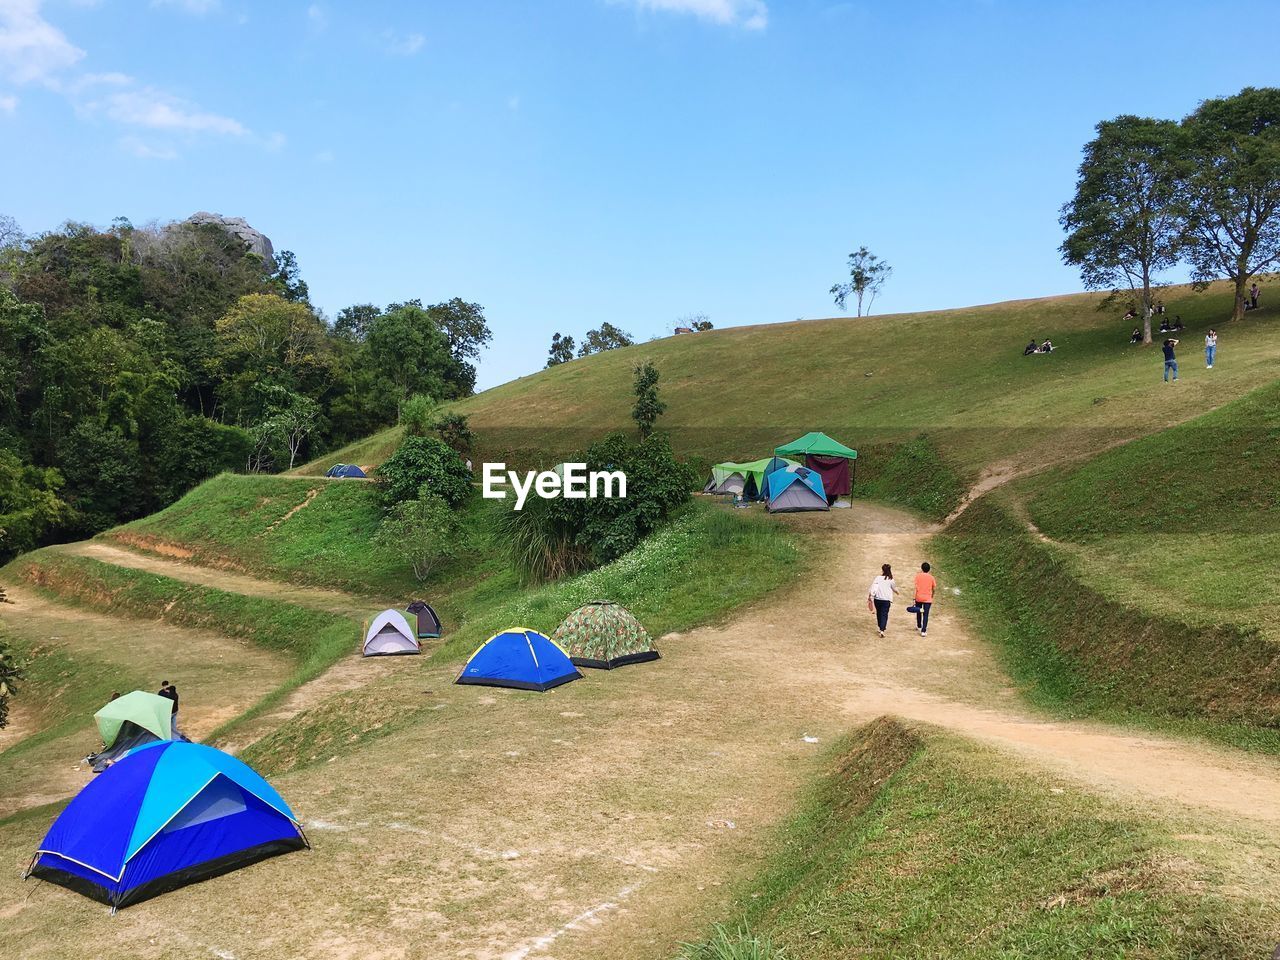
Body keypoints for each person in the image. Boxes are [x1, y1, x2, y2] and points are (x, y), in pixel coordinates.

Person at [867, 563, 898, 638]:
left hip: (877, 599)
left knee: (879, 613)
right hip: (886, 600)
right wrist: (897, 592)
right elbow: (894, 588)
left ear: (882, 570)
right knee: (884, 614)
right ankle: (882, 629)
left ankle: (880, 626)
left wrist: (869, 596)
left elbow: (873, 587)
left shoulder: (878, 578)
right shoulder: (891, 580)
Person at [913, 562, 937, 637]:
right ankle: (923, 631)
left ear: (922, 568)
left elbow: (916, 588)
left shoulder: (918, 576)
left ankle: (919, 625)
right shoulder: (931, 577)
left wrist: (914, 597)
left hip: (919, 597)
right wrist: (932, 595)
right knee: (926, 614)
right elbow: (933, 588)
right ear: (929, 569)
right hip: (927, 598)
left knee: (919, 612)